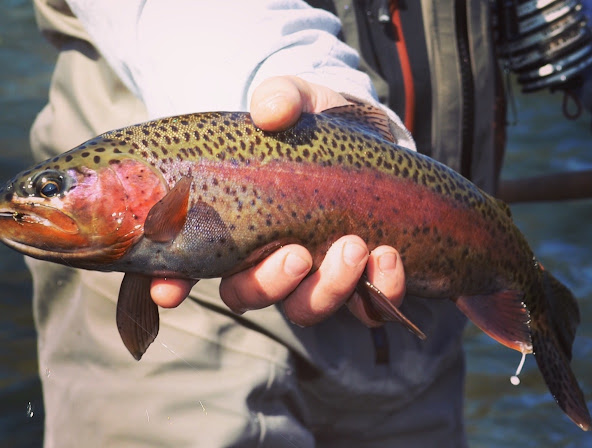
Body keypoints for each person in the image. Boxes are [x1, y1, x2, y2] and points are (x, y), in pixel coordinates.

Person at [29, 0, 587, 446]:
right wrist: (292, 70)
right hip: (205, 329)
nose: (39, 202)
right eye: (52, 191)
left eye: (51, 191)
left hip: (419, 321)